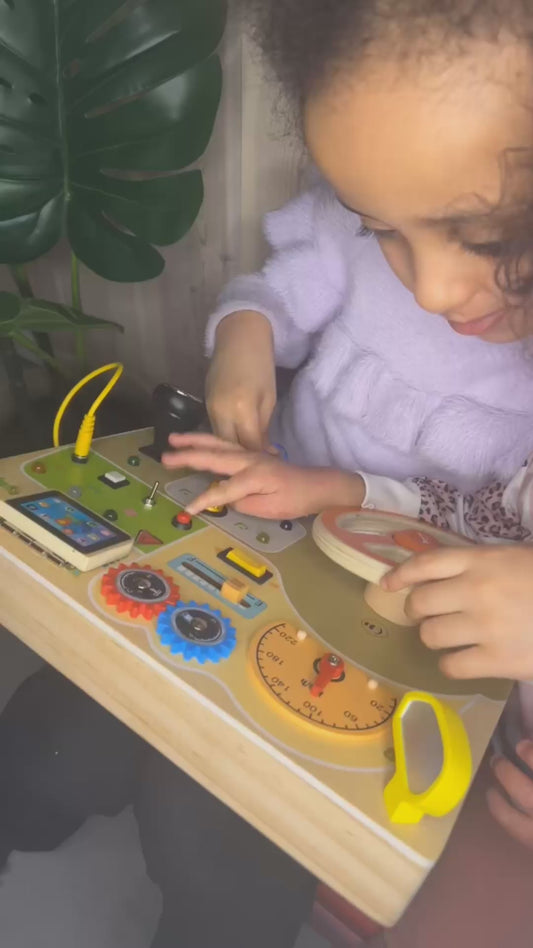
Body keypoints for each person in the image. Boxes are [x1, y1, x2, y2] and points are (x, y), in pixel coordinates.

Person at [4, 1, 533, 946]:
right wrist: (248, 343)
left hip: (393, 647)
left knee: (217, 831)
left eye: (487, 239)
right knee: (72, 727)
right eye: (384, 231)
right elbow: (483, 505)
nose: (434, 291)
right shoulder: (365, 236)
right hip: (280, 522)